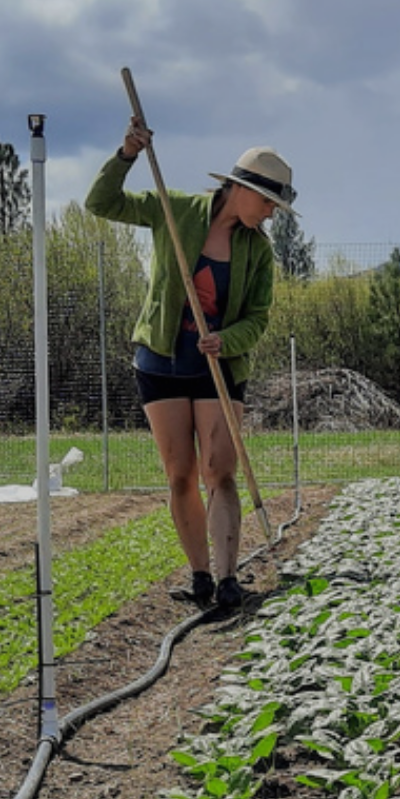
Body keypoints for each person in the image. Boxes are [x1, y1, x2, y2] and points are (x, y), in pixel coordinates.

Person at [86, 120, 296, 609]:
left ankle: (228, 579)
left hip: (218, 367)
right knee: (180, 473)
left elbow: (258, 318)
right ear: (242, 190)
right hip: (160, 362)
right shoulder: (175, 209)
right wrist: (127, 154)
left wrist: (226, 340)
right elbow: (102, 203)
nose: (270, 214)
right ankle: (200, 576)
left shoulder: (258, 250)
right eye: (268, 203)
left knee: (219, 470)